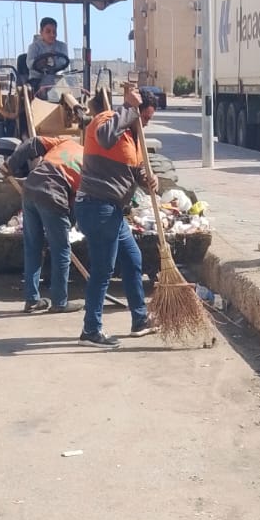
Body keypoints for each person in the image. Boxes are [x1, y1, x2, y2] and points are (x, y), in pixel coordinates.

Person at [74, 86, 160, 347]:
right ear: (135, 111)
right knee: (103, 270)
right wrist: (128, 108)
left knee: (133, 259)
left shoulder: (134, 137)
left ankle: (139, 320)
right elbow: (104, 138)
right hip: (96, 207)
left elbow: (134, 170)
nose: (146, 123)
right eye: (145, 117)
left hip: (113, 212)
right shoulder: (108, 119)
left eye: (149, 119)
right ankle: (91, 330)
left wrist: (148, 178)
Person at [7, 130, 86, 315]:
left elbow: (31, 143)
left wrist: (10, 165)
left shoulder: (65, 142)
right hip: (53, 194)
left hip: (31, 188)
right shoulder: (91, 165)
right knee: (61, 251)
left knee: (33, 247)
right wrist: (70, 224)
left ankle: (32, 300)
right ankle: (59, 302)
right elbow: (78, 201)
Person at [26, 17, 69, 94]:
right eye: (48, 31)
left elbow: (64, 62)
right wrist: (41, 62)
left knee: (70, 86)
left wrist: (54, 60)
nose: (52, 35)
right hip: (37, 79)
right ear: (41, 32)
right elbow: (29, 64)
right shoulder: (34, 47)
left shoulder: (62, 46)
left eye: (54, 32)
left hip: (57, 78)